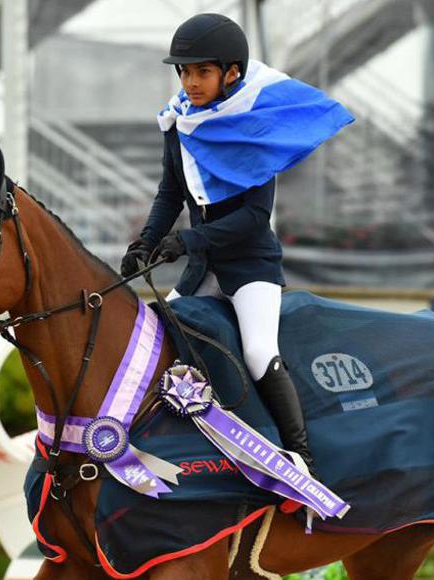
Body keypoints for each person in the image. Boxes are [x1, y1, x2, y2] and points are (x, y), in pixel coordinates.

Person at [121, 13, 353, 480]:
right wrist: (145, 243)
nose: (190, 82)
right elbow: (170, 193)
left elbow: (253, 218)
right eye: (184, 72)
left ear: (231, 74)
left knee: (258, 354)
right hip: (201, 270)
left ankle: (302, 459)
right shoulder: (179, 123)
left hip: (251, 270)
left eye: (201, 72)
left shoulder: (253, 125)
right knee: (156, 342)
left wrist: (187, 239)